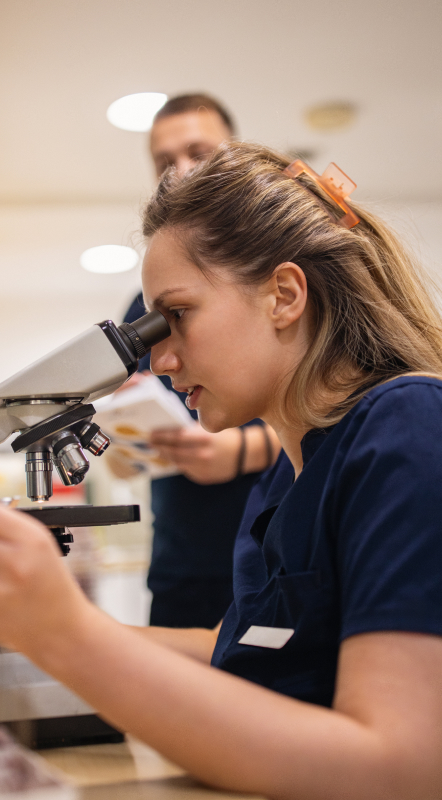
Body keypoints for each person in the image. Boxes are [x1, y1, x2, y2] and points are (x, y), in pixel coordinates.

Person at [1, 141, 442, 799]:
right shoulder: (286, 473)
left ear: (283, 295)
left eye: (175, 318)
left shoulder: (408, 425)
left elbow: (400, 767)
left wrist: (65, 634)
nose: (160, 361)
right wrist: (28, 624)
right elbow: (240, 650)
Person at [110, 93, 280, 628]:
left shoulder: (279, 269)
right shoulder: (141, 308)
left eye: (198, 153)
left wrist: (242, 451)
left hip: (270, 557)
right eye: (164, 162)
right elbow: (123, 457)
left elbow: (333, 404)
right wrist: (125, 444)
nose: (179, 173)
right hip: (181, 568)